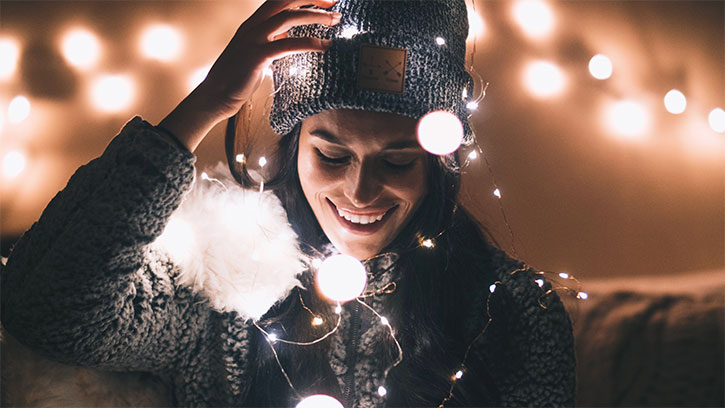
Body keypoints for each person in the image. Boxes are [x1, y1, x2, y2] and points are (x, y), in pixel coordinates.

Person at [0, 0, 576, 406]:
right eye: (331, 155)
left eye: (397, 161)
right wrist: (202, 107)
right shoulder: (222, 288)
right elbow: (46, 311)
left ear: (438, 161)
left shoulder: (512, 311)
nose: (359, 192)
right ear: (294, 144)